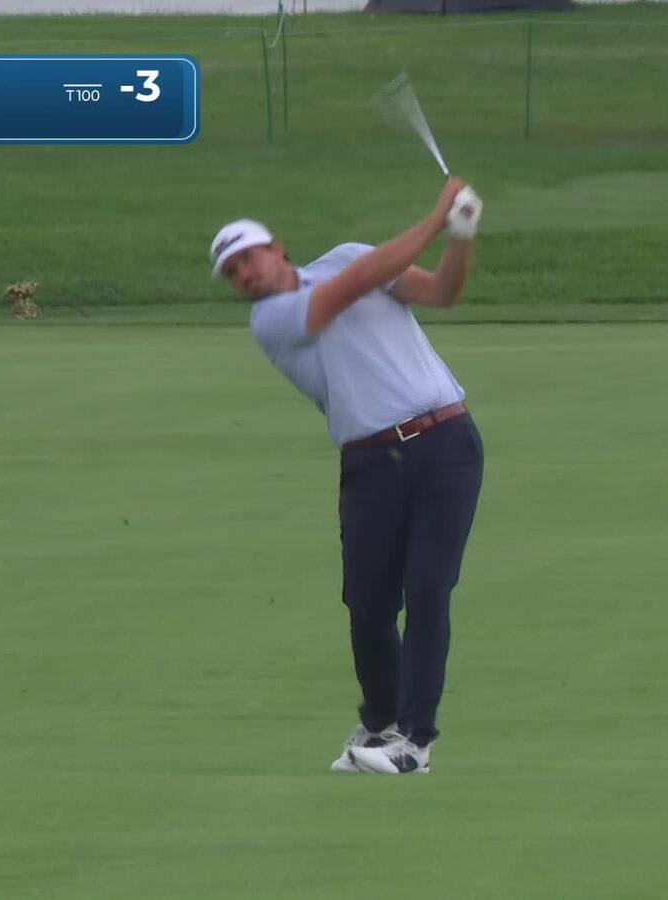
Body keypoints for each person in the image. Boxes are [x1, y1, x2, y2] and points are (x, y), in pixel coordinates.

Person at [208, 178, 485, 775]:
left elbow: (441, 291)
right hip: (370, 461)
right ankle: (380, 720)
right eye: (233, 273)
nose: (245, 275)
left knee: (428, 589)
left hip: (446, 442)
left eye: (248, 258)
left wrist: (461, 235)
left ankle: (413, 739)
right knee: (366, 603)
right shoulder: (273, 320)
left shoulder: (348, 257)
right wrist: (436, 216)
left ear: (277, 248)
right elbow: (355, 285)